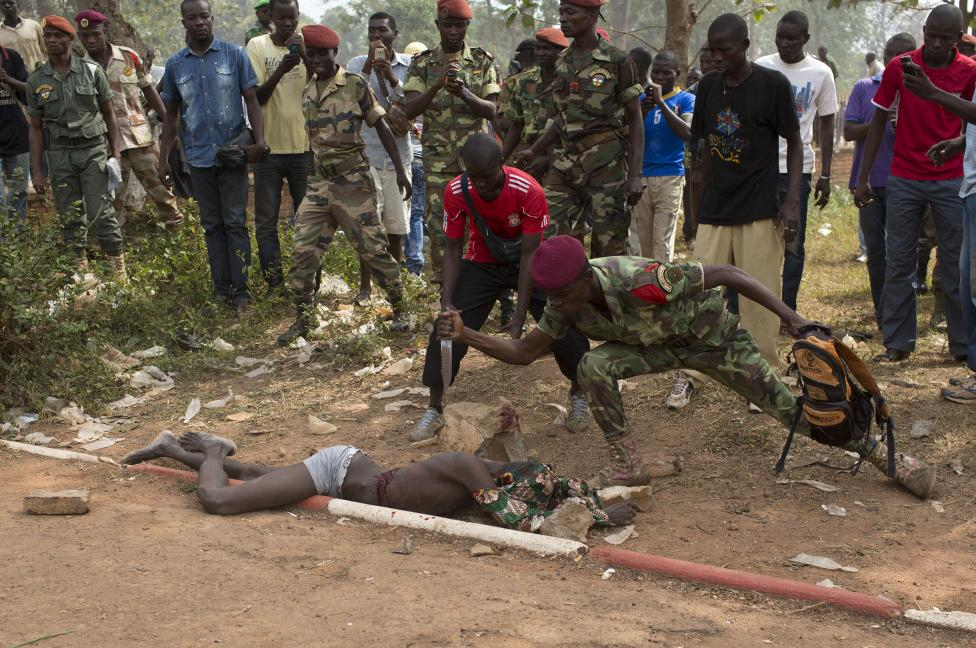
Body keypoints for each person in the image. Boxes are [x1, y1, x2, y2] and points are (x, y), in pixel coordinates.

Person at [435, 235, 937, 499]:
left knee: (795, 414)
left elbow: (730, 273)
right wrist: (467, 335)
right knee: (590, 366)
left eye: (563, 295)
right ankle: (629, 465)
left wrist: (792, 318)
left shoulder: (643, 277)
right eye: (553, 297)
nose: (558, 305)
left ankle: (884, 455)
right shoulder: (564, 304)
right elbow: (525, 353)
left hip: (712, 341)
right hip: (655, 351)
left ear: (585, 278)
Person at [409, 134, 591, 441]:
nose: (481, 185)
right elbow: (452, 248)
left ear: (501, 165)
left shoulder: (527, 189)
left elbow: (530, 254)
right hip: (483, 262)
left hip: (528, 262)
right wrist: (447, 302)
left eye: (488, 177)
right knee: (446, 329)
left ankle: (579, 393)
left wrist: (519, 319)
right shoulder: (457, 190)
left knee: (564, 321)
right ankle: (435, 408)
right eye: (474, 177)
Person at [671, 13, 802, 412]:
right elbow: (702, 148)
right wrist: (695, 209)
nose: (717, 57)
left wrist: (791, 200)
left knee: (759, 299)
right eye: (712, 49)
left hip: (760, 208)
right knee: (697, 293)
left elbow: (794, 144)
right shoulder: (708, 87)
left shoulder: (772, 85)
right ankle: (689, 373)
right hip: (715, 209)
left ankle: (763, 378)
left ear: (745, 44)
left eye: (724, 49)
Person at [120, 430, 639, 530]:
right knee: (219, 501)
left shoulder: (491, 483)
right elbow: (517, 517)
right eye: (515, 483)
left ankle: (169, 448)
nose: (512, 490)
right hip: (337, 469)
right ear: (506, 475)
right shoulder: (470, 469)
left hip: (342, 478)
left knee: (256, 475)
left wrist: (591, 506)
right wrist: (588, 524)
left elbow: (548, 498)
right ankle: (211, 448)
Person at [853, 4, 976, 364]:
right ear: (924, 30)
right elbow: (877, 121)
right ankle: (898, 341)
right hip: (905, 175)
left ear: (958, 39)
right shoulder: (901, 66)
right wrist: (862, 178)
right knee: (899, 261)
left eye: (945, 38)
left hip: (952, 178)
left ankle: (960, 345)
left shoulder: (969, 71)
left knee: (955, 265)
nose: (936, 43)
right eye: (931, 35)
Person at [276, 25, 412, 345]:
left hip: (354, 182)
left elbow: (381, 127)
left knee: (374, 251)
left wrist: (399, 170)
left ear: (335, 54)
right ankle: (304, 319)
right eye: (313, 53)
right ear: (306, 55)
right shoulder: (308, 90)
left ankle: (402, 309)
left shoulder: (355, 85)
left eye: (325, 53)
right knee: (302, 253)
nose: (319, 59)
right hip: (320, 183)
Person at [160, 0, 268, 314]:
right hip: (198, 158)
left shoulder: (234, 55)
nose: (199, 23)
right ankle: (222, 291)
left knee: (235, 222)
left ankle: (243, 292)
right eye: (191, 18)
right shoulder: (175, 64)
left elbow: (252, 100)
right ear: (184, 23)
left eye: (203, 16)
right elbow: (170, 114)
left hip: (231, 155)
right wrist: (163, 157)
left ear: (212, 18)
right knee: (211, 225)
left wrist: (259, 142)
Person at [514, 0, 643, 258]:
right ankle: (559, 296)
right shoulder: (561, 63)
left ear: (592, 15)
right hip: (566, 164)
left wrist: (635, 175)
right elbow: (562, 118)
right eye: (561, 12)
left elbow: (635, 119)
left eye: (570, 12)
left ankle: (604, 297)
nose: (563, 18)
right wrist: (534, 150)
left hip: (606, 166)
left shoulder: (618, 61)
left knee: (609, 246)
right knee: (545, 233)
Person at [893, 30, 976, 402]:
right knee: (964, 277)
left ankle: (968, 357)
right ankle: (971, 363)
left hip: (961, 184)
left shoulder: (968, 70)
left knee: (969, 279)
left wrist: (932, 93)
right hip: (965, 183)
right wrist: (960, 142)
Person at [403, 0, 500, 278]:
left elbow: (493, 110)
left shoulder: (482, 61)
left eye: (459, 25)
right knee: (441, 226)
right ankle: (446, 289)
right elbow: (410, 109)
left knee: (483, 222)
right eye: (448, 25)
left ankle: (483, 283)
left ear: (467, 26)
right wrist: (436, 85)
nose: (454, 31)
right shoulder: (422, 64)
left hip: (478, 162)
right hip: (438, 162)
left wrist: (465, 94)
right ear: (438, 26)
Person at [27, 16, 125, 278]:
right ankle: (80, 274)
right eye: (47, 36)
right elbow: (35, 129)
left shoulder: (92, 72)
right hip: (59, 154)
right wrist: (36, 171)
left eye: (58, 36)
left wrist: (115, 156)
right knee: (70, 215)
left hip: (93, 151)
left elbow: (110, 116)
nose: (52, 41)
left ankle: (118, 272)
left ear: (70, 38)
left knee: (101, 213)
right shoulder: (36, 80)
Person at [755, 10, 838, 312]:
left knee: (793, 243)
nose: (785, 44)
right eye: (780, 37)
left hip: (797, 171)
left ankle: (786, 308)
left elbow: (827, 124)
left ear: (805, 39)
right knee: (759, 242)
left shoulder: (821, 73)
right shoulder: (761, 67)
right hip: (760, 169)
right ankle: (756, 304)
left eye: (792, 38)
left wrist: (825, 174)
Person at [77, 10, 183, 231]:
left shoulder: (129, 56)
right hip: (106, 143)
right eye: (85, 36)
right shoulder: (79, 68)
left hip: (138, 137)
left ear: (105, 31)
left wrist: (170, 128)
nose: (90, 40)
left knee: (160, 188)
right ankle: (114, 249)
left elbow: (150, 90)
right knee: (111, 196)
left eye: (95, 34)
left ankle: (176, 232)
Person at [845, 33, 917, 326]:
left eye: (901, 56)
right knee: (875, 249)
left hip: (907, 180)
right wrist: (879, 120)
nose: (893, 62)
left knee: (901, 252)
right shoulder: (865, 88)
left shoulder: (921, 91)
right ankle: (882, 309)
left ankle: (898, 312)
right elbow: (849, 132)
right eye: (890, 55)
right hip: (871, 180)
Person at [348, 12, 414, 305]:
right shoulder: (354, 65)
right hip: (366, 155)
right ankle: (365, 288)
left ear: (394, 34)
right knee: (367, 226)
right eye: (372, 31)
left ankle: (394, 286)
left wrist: (389, 75)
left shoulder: (409, 66)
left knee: (396, 227)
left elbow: (414, 106)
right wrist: (368, 67)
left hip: (398, 156)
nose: (377, 36)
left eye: (383, 31)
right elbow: (349, 98)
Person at [246, 0, 310, 296]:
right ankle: (274, 284)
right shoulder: (257, 46)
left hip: (304, 150)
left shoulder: (308, 42)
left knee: (308, 222)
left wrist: (305, 55)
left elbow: (324, 82)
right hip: (268, 150)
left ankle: (308, 283)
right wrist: (282, 69)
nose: (288, 23)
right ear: (270, 16)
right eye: (282, 17)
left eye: (292, 18)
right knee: (266, 223)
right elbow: (256, 96)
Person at [630, 50, 694, 261]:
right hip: (642, 178)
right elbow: (628, 136)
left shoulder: (685, 99)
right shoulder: (640, 99)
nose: (659, 78)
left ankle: (662, 289)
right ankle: (646, 288)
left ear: (677, 74)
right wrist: (642, 111)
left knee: (662, 242)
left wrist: (661, 104)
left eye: (665, 73)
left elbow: (687, 133)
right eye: (656, 72)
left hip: (670, 178)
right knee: (641, 243)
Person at [499, 27, 568, 176]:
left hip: (561, 157)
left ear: (562, 52)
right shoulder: (524, 81)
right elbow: (517, 124)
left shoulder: (570, 81)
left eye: (547, 49)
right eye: (538, 48)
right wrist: (500, 160)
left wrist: (549, 160)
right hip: (526, 154)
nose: (541, 53)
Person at [403, 39, 427, 277]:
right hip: (423, 159)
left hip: (414, 159)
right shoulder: (430, 89)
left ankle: (414, 267)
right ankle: (414, 265)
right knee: (417, 213)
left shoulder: (409, 91)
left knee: (413, 213)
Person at [0, 41, 28, 224]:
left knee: (19, 191)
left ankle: (16, 244)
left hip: (16, 137)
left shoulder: (13, 57)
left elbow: (30, 92)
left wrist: (8, 80)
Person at [0, 0, 44, 72]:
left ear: (17, 5)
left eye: (10, 2)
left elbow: (45, 50)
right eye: (3, 3)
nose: (7, 5)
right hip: (11, 79)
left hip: (38, 75)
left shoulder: (34, 26)